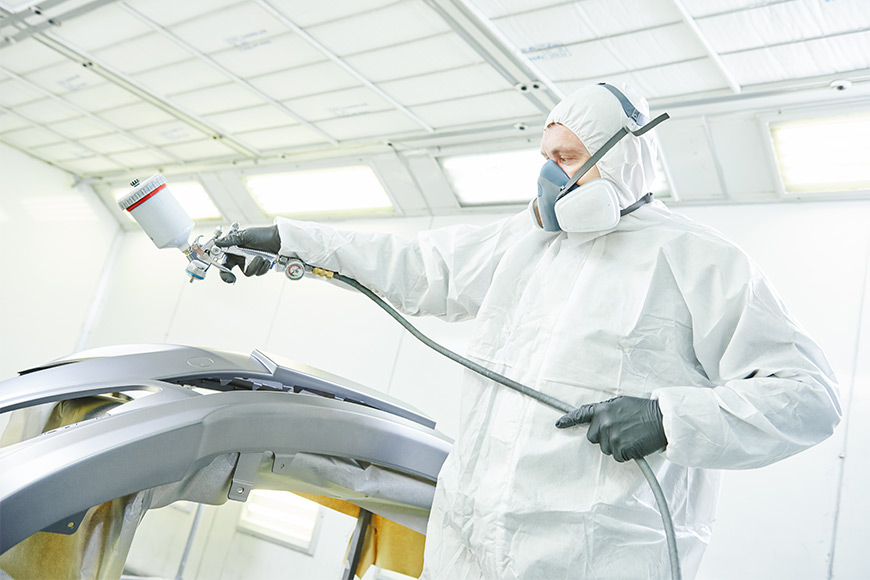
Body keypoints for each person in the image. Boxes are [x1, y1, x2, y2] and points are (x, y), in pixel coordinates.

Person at [215, 83, 841, 579]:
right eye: (545, 159)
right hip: (469, 544)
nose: (549, 178)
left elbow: (809, 396)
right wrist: (290, 241)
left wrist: (669, 417)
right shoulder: (528, 242)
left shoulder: (700, 259)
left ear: (619, 157)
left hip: (595, 558)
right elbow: (419, 266)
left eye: (566, 159)